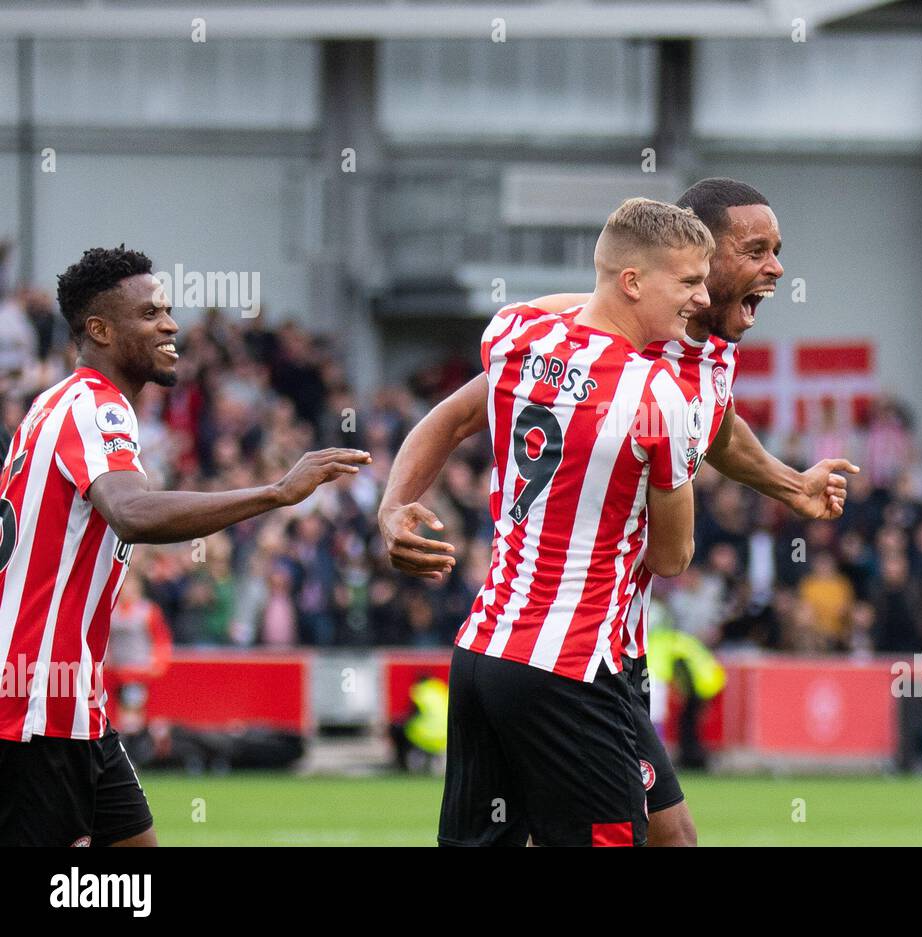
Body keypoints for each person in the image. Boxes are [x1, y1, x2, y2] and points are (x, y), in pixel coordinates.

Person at [380, 179, 858, 845]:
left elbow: (715, 429)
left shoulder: (585, 338)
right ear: (698, 256)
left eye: (779, 251)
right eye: (756, 251)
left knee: (671, 838)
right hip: (576, 658)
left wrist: (788, 483)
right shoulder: (640, 366)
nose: (776, 268)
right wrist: (394, 504)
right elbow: (458, 414)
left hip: (558, 647)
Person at [0, 245, 370, 847]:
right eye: (149, 314)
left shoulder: (54, 403)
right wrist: (277, 492)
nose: (171, 324)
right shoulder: (95, 407)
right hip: (34, 702)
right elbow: (134, 514)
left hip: (68, 697)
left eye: (168, 310)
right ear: (99, 329)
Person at [421, 198, 709, 846]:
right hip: (573, 669)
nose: (700, 298)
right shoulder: (657, 392)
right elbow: (672, 556)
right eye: (688, 282)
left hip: (483, 652)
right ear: (634, 282)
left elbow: (569, 312)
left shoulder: (511, 332)